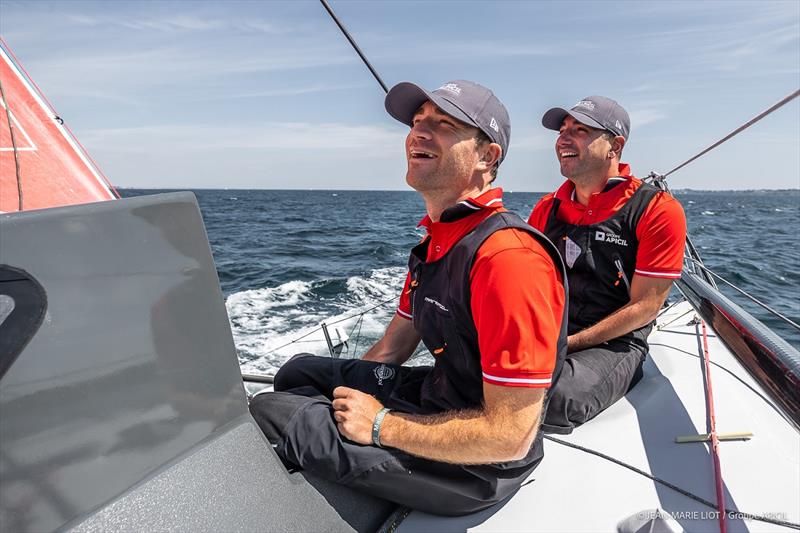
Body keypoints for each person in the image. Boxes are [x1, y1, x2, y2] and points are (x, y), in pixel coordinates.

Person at [249, 80, 567, 516]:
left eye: (443, 124)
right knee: (296, 372)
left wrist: (378, 425)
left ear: (486, 157)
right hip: (440, 398)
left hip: (477, 467)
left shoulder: (509, 258)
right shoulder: (440, 241)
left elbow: (511, 435)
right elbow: (395, 347)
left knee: (270, 408)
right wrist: (343, 393)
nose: (419, 133)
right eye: (417, 122)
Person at [527, 96, 686, 434]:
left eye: (580, 130)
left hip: (616, 341)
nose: (564, 139)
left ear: (615, 145)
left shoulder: (657, 210)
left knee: (559, 400)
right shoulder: (546, 209)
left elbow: (645, 307)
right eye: (562, 131)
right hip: (554, 333)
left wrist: (568, 344)